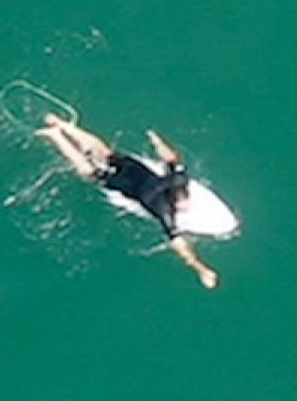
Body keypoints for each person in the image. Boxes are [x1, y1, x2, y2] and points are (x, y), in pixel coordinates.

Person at [35, 114, 219, 289]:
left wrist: (157, 141)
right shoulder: (164, 210)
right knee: (89, 172)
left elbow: (172, 158)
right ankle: (56, 136)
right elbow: (179, 245)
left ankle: (62, 125)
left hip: (133, 169)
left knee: (104, 152)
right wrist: (200, 269)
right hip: (123, 184)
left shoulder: (177, 180)